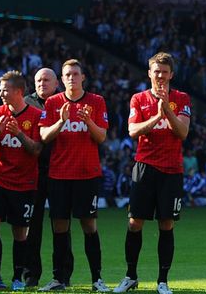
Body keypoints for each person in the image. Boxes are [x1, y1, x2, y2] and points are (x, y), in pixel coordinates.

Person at [112, 52, 191, 294]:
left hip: (171, 169)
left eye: (164, 72)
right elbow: (133, 131)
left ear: (171, 75)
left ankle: (162, 281)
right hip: (144, 167)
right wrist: (156, 115)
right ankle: (130, 276)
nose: (160, 76)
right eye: (156, 71)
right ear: (149, 73)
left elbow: (183, 133)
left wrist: (166, 109)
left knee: (166, 224)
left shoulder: (182, 98)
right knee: (135, 222)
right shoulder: (138, 99)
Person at [38, 59, 110, 292]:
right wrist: (61, 120)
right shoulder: (52, 103)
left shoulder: (96, 102)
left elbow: (101, 137)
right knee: (59, 227)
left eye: (75, 74)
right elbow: (44, 136)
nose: (71, 78)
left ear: (82, 78)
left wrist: (88, 120)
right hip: (59, 175)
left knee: (89, 226)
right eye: (67, 75)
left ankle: (97, 279)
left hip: (87, 175)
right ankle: (58, 278)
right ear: (61, 79)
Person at [0, 71, 42, 292]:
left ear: (18, 91)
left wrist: (19, 134)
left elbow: (36, 150)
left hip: (25, 183)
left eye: (5, 89)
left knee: (19, 232)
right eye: (0, 89)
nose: (0, 93)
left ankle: (16, 278)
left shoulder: (35, 116)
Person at [21, 68, 74, 288]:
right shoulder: (26, 103)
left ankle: (62, 274)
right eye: (38, 80)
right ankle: (31, 275)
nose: (42, 83)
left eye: (46, 80)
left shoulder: (64, 102)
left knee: (61, 224)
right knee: (31, 226)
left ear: (56, 84)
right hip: (32, 172)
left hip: (59, 171)